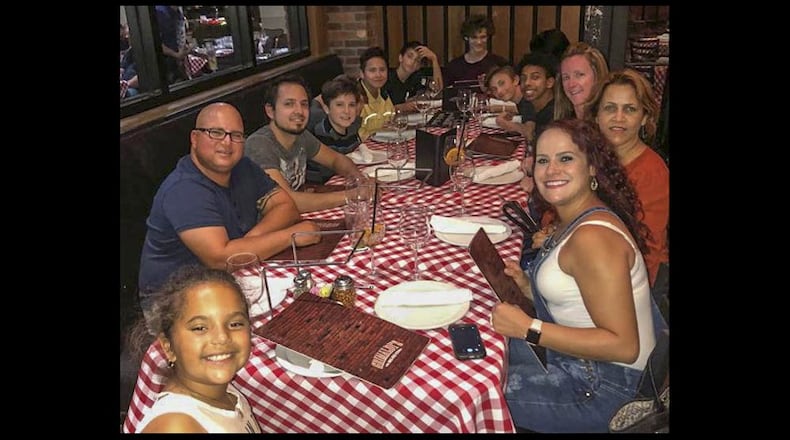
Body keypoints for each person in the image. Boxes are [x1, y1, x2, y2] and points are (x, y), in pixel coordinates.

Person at [491, 118, 659, 433]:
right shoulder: (579, 216)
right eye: (543, 160)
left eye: (566, 158)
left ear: (592, 167)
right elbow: (580, 294)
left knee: (481, 400)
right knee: (481, 356)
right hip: (581, 363)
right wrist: (530, 289)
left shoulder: (593, 239)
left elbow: (624, 346)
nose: (551, 170)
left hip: (607, 389)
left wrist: (529, 328)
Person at [138, 102, 321, 320]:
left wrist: (246, 243)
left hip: (227, 280)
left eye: (236, 135)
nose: (227, 143)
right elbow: (220, 259)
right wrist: (293, 236)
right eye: (216, 133)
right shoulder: (184, 189)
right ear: (194, 139)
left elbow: (286, 206)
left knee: (310, 306)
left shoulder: (243, 167)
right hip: (171, 301)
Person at [128, 265, 262, 433]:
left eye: (235, 324)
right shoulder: (177, 427)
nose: (222, 337)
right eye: (199, 328)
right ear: (168, 347)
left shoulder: (220, 391)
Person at [587, 69, 669, 286]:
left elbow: (647, 249)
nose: (618, 118)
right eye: (610, 108)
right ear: (596, 115)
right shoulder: (588, 155)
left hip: (629, 281)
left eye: (630, 109)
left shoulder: (653, 171)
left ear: (644, 118)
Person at [245, 74, 364, 212]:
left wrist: (359, 180)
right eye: (289, 104)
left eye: (304, 104)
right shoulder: (259, 145)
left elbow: (336, 159)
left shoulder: (301, 136)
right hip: (262, 225)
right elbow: (288, 201)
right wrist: (352, 195)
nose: (299, 111)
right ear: (270, 111)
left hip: (294, 217)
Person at [305, 75, 364, 183]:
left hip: (345, 180)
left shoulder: (352, 128)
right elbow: (330, 175)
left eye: (351, 105)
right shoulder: (322, 134)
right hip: (321, 188)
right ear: (327, 109)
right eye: (339, 105)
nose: (346, 111)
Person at [444, 14, 509, 88]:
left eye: (483, 37)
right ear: (466, 38)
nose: (479, 42)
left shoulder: (499, 63)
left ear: (488, 37)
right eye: (474, 37)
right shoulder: (454, 66)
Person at [554, 41, 609, 120]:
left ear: (597, 75)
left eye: (579, 75)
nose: (571, 84)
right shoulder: (561, 126)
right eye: (566, 78)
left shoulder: (608, 126)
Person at [384, 40, 444, 113]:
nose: (413, 62)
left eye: (417, 60)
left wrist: (434, 59)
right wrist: (402, 107)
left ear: (419, 66)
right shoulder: (385, 79)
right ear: (400, 58)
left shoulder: (416, 78)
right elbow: (379, 111)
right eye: (410, 56)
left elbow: (438, 90)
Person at [485, 64, 536, 141]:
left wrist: (505, 123)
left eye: (502, 83)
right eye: (494, 89)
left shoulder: (527, 100)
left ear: (515, 80)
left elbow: (530, 133)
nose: (499, 91)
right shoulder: (520, 101)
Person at [516, 51, 559, 141]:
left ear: (549, 82)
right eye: (523, 78)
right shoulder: (530, 105)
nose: (527, 83)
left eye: (535, 77)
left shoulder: (555, 115)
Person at [356, 47, 396, 141]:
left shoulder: (384, 93)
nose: (378, 75)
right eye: (372, 70)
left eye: (382, 70)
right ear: (362, 74)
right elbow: (355, 137)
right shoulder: (356, 98)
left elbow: (391, 120)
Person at [155, 5, 191, 84]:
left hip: (178, 59)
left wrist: (186, 46)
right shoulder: (160, 12)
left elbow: (180, 33)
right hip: (163, 63)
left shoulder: (178, 12)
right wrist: (176, 54)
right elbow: (155, 42)